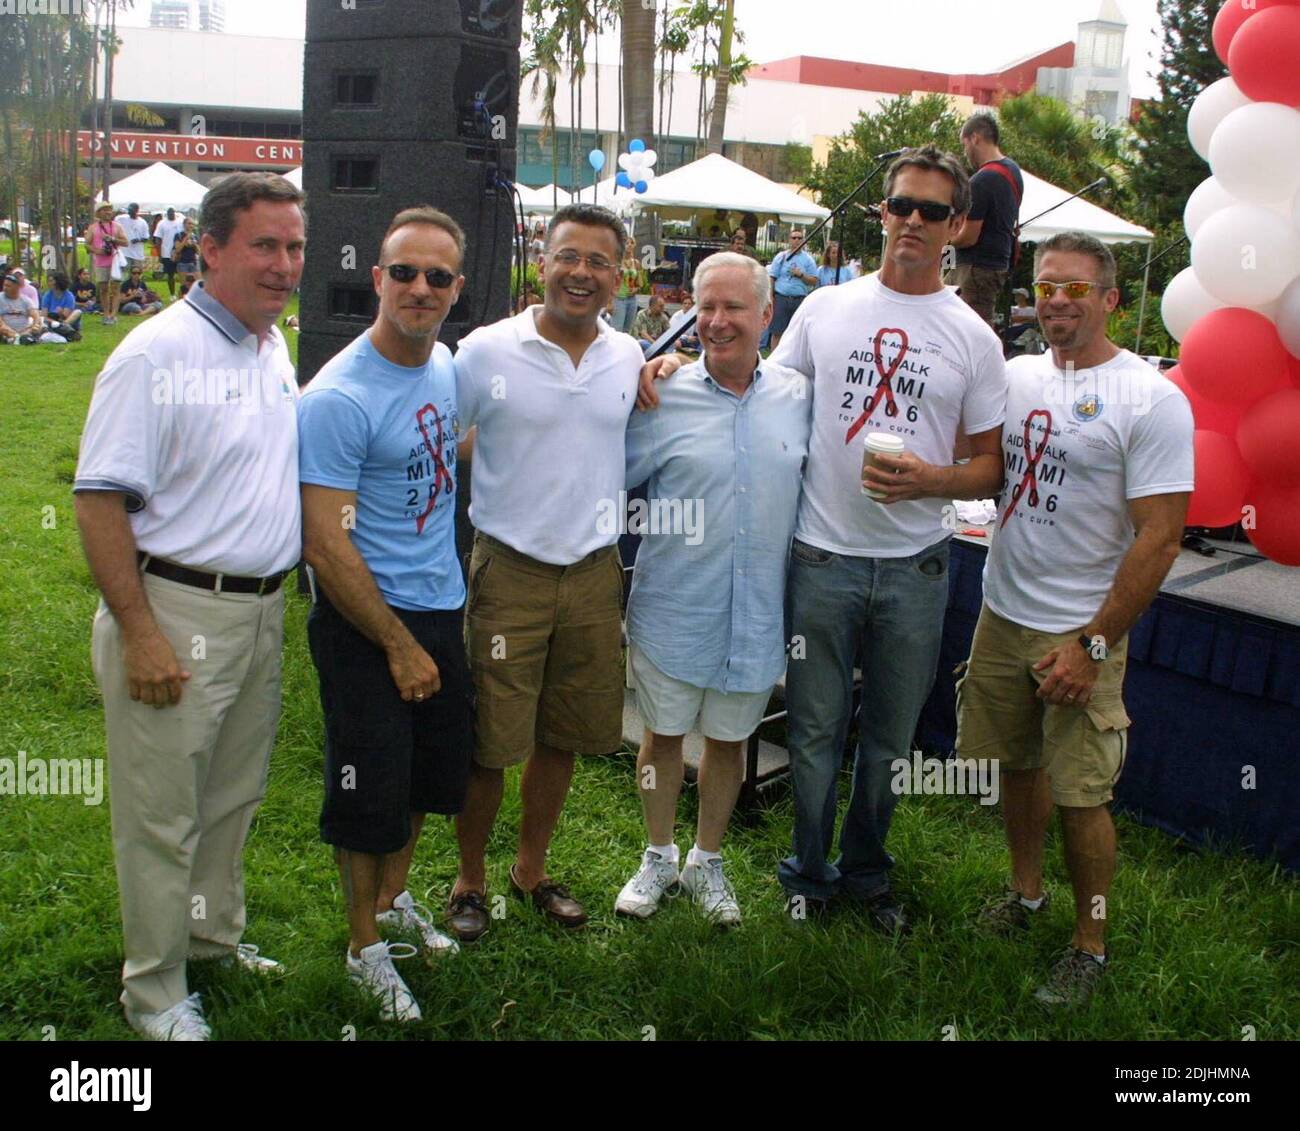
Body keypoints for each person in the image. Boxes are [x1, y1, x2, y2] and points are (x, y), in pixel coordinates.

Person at [73, 171, 306, 1040]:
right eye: (265, 246)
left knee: (232, 795)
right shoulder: (155, 354)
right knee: (162, 815)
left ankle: (209, 939)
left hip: (258, 613)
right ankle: (157, 992)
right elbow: (99, 501)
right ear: (208, 251)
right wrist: (139, 633)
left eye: (294, 246)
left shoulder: (269, 345)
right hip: (173, 612)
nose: (285, 265)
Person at [770, 146, 1007, 929]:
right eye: (900, 205)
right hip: (821, 557)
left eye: (931, 211)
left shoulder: (974, 338)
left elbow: (990, 469)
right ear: (882, 214)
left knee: (891, 740)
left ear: (958, 227)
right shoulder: (824, 309)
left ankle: (867, 871)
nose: (911, 220)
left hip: (916, 567)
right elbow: (770, 402)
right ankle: (807, 870)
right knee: (812, 729)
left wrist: (930, 480)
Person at [956, 232, 1192, 1005]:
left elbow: (1161, 536)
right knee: (1015, 766)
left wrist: (1093, 644)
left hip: (1082, 630)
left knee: (1084, 795)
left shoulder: (1151, 397)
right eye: (1047, 286)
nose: (1057, 300)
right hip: (1003, 611)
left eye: (1077, 289)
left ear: (1112, 299)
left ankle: (1089, 944)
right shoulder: (1017, 375)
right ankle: (1026, 893)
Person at [449, 203, 646, 940]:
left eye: (599, 262)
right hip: (510, 571)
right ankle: (469, 878)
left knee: (562, 732)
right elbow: (447, 438)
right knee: (491, 737)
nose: (582, 273)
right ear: (541, 260)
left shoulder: (626, 355)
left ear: (618, 275)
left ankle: (530, 867)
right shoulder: (484, 351)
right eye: (569, 256)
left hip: (594, 573)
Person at [299, 206, 472, 1023]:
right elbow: (325, 545)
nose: (419, 287)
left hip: (441, 608)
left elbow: (440, 446)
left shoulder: (441, 365)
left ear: (456, 290)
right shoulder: (338, 395)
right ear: (377, 277)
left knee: (425, 779)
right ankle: (362, 942)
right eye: (404, 271)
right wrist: (397, 643)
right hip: (370, 621)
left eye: (437, 276)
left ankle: (397, 900)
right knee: (367, 790)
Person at [616, 252, 812, 926]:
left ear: (767, 314)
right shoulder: (659, 395)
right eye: (707, 307)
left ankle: (708, 858)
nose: (718, 321)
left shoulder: (798, 398)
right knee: (662, 735)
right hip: (676, 605)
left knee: (729, 742)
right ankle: (657, 851)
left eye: (734, 308)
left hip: (757, 612)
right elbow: (607, 471)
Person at [948, 113, 1023, 327]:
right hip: (994, 263)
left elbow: (969, 237)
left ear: (975, 138)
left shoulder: (983, 180)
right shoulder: (1013, 171)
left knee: (970, 327)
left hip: (974, 268)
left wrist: (944, 237)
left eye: (965, 145)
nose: (965, 152)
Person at [765, 229, 818, 350]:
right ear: (789, 240)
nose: (797, 240)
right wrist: (770, 296)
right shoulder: (781, 257)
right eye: (794, 238)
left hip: (799, 299)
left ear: (804, 241)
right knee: (777, 331)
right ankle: (774, 359)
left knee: (797, 334)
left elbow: (814, 281)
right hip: (781, 297)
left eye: (799, 238)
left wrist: (801, 275)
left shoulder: (808, 260)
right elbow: (772, 277)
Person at [85, 202, 128, 325]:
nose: (108, 212)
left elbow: (126, 242)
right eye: (104, 210)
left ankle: (113, 315)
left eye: (109, 210)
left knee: (115, 288)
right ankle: (105, 314)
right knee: (103, 289)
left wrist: (113, 239)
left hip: (114, 261)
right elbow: (87, 244)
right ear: (99, 213)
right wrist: (97, 250)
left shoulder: (117, 226)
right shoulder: (93, 227)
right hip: (100, 261)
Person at [1, 270, 47, 344]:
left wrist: (35, 326)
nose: (4, 288)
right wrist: (7, 329)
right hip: (5, 331)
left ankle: (18, 338)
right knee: (2, 328)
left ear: (17, 287)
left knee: (38, 325)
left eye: (8, 286)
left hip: (25, 330)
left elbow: (36, 316)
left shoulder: (25, 300)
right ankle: (19, 338)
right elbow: (1, 323)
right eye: (4, 285)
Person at [614, 234, 645, 334]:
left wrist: (636, 289)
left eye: (632, 243)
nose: (629, 245)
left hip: (632, 299)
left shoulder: (636, 262)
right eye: (627, 243)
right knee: (617, 329)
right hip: (619, 298)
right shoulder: (617, 261)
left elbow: (640, 283)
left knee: (627, 330)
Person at [40, 271, 83, 340]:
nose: (49, 283)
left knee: (78, 312)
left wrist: (61, 313)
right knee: (38, 313)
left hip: (66, 322)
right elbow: (44, 316)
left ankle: (62, 328)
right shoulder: (47, 295)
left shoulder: (69, 296)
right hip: (52, 321)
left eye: (51, 281)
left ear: (58, 281)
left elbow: (66, 316)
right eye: (48, 281)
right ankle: (62, 330)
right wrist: (53, 322)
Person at [154, 207, 186, 298]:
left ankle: (183, 293)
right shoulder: (162, 223)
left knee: (182, 274)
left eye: (172, 212)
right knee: (170, 275)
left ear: (175, 213)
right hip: (167, 253)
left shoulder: (181, 221)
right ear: (167, 214)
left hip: (180, 253)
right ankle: (172, 294)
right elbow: (158, 239)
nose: (171, 214)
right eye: (169, 213)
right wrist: (159, 255)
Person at [116, 203, 152, 275]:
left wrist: (138, 240)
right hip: (125, 252)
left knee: (136, 275)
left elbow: (146, 238)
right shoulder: (121, 219)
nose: (129, 212)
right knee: (124, 275)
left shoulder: (142, 222)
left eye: (131, 210)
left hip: (137, 254)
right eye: (129, 210)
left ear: (137, 210)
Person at [173, 218, 200, 285]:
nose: (191, 225)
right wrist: (186, 238)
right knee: (184, 285)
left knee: (197, 284)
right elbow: (178, 249)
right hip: (182, 263)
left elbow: (199, 252)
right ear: (184, 224)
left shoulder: (195, 236)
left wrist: (194, 244)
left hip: (193, 262)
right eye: (189, 223)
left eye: (192, 224)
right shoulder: (178, 235)